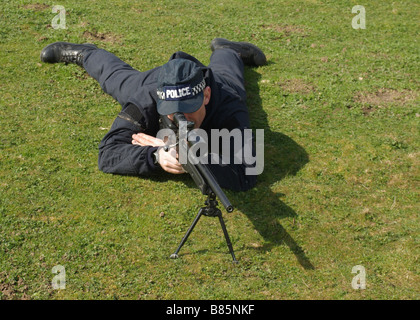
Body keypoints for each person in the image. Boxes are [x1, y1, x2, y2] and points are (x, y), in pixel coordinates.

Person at [40, 38, 267, 191]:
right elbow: (108, 153)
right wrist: (157, 156)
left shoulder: (227, 104)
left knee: (228, 74)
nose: (181, 118)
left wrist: (192, 158)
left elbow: (246, 172)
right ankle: (86, 53)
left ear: (206, 96)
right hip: (153, 82)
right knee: (117, 79)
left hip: (221, 84)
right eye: (172, 111)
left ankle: (228, 49)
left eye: (189, 108)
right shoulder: (148, 97)